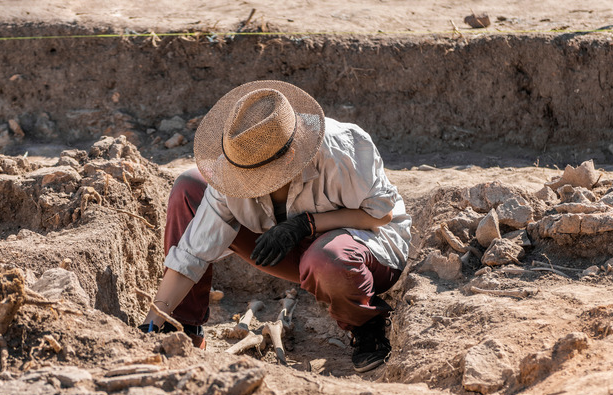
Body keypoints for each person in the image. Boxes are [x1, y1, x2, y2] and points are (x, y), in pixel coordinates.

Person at [140, 80, 411, 372]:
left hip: (366, 248)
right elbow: (192, 251)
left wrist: (306, 224)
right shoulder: (236, 162)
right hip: (290, 250)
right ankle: (181, 329)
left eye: (260, 176)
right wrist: (155, 319)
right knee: (190, 186)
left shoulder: (343, 149)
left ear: (291, 156)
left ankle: (366, 323)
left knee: (328, 258)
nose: (246, 185)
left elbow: (381, 215)